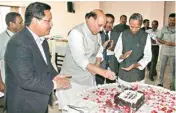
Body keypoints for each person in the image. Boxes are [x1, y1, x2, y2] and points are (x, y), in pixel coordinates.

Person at [4, 2, 70, 113]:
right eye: (48, 20)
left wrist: (56, 76)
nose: (52, 24)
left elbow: (46, 66)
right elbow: (27, 80)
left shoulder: (42, 41)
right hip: (24, 104)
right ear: (35, 21)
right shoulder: (18, 43)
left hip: (40, 100)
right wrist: (55, 84)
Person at [56, 9, 116, 111]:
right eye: (99, 25)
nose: (101, 29)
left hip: (88, 79)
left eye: (103, 26)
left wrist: (97, 63)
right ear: (91, 19)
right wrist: (103, 72)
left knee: (87, 108)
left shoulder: (96, 33)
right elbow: (81, 60)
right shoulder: (76, 33)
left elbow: (99, 50)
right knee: (73, 109)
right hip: (73, 81)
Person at [114, 13, 152, 84]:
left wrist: (136, 65)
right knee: (122, 93)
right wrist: (122, 56)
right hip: (123, 71)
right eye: (131, 27)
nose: (134, 29)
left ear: (141, 25)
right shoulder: (123, 34)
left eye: (137, 27)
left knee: (137, 93)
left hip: (138, 73)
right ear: (129, 23)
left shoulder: (146, 36)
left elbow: (148, 56)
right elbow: (117, 51)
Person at [0, 12, 23, 93]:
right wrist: (1, 84)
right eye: (20, 22)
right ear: (11, 24)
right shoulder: (2, 39)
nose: (22, 24)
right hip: (7, 80)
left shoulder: (20, 36)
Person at [96, 13, 119, 84]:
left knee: (111, 88)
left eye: (111, 22)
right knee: (99, 87)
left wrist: (113, 49)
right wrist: (102, 47)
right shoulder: (97, 33)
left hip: (113, 65)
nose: (109, 24)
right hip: (100, 65)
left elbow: (121, 49)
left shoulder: (117, 34)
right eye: (107, 22)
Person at [157, 13, 175, 89]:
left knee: (173, 70)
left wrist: (173, 43)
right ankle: (160, 83)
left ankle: (172, 84)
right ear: (168, 19)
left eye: (174, 20)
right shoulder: (164, 28)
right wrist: (165, 42)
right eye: (170, 20)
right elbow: (158, 38)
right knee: (162, 68)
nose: (172, 21)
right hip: (164, 52)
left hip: (174, 53)